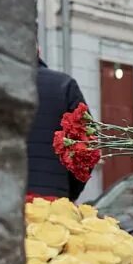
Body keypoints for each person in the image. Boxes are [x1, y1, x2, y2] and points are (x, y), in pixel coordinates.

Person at [28, 53, 89, 200]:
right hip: (51, 202)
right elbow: (85, 150)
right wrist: (69, 191)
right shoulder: (64, 85)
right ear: (39, 49)